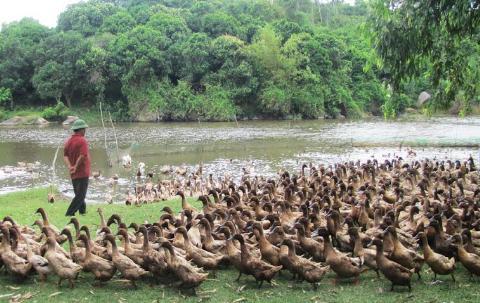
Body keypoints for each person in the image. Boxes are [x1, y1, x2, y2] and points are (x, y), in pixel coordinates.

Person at [63, 119, 90, 216]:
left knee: (79, 194)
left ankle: (82, 212)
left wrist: (70, 166)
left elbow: (65, 156)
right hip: (82, 172)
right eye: (84, 129)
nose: (85, 131)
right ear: (81, 130)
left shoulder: (68, 141)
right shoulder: (82, 141)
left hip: (73, 173)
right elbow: (83, 155)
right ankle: (69, 213)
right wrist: (75, 166)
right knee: (80, 196)